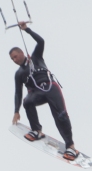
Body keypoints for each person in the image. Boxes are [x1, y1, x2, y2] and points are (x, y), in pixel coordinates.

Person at [9, 22, 79, 160]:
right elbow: (18, 93)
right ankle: (36, 130)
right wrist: (16, 111)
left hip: (50, 88)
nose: (14, 60)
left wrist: (27, 30)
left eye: (15, 56)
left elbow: (41, 41)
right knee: (27, 101)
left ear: (22, 53)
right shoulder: (19, 73)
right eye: (12, 59)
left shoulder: (36, 57)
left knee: (61, 116)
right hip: (37, 93)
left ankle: (71, 147)